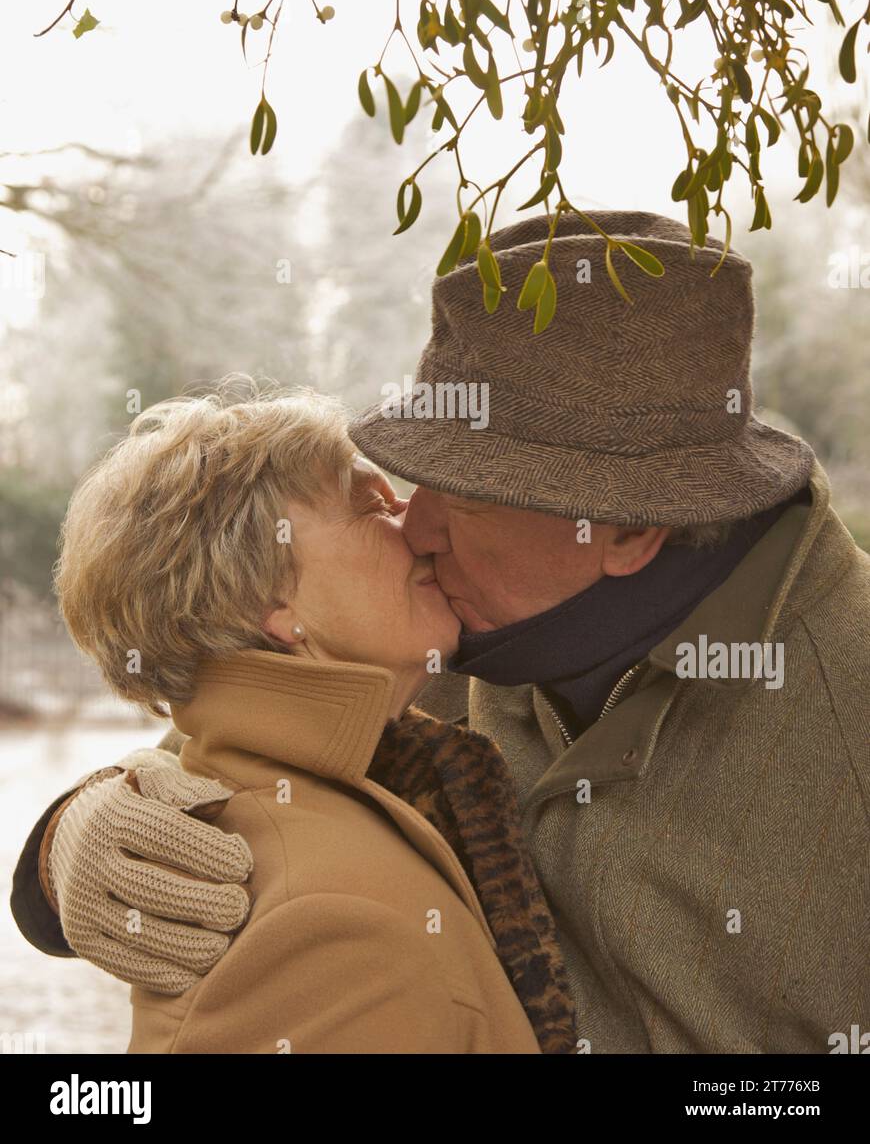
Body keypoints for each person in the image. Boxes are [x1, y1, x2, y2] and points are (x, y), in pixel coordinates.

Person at [12, 210, 870, 1052]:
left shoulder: (849, 703)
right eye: (407, 481)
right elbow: (239, 731)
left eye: (462, 496)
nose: (412, 528)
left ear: (627, 529)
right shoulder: (457, 625)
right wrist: (66, 841)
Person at [26, 383, 575, 1054]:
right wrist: (60, 840)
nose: (416, 523)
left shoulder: (330, 766)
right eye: (372, 504)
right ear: (272, 600)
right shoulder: (325, 928)